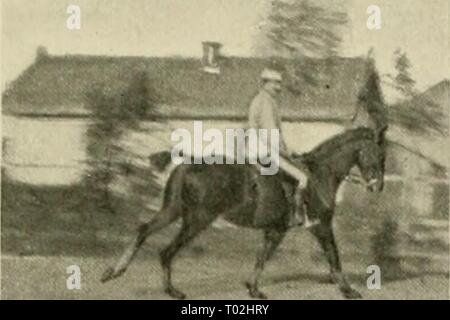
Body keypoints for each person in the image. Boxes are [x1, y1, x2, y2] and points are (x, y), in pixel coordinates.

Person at [247, 67, 319, 228]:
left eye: (279, 84)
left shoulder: (263, 100)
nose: (279, 88)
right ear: (265, 83)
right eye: (275, 84)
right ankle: (298, 217)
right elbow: (271, 131)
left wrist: (288, 149)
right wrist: (285, 151)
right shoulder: (265, 102)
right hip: (264, 150)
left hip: (259, 148)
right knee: (303, 178)